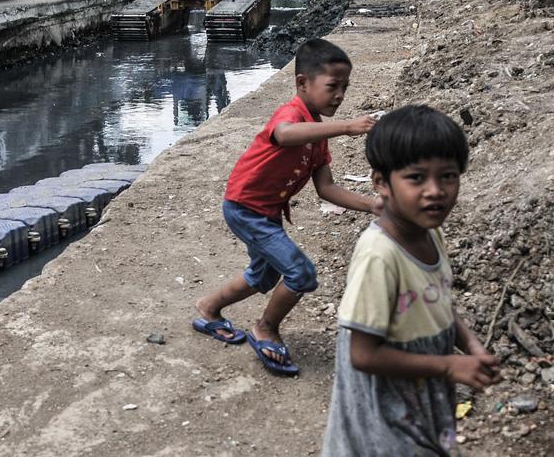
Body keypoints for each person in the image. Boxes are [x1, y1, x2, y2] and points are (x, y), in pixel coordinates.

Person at [192, 39, 379, 376]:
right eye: (333, 86)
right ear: (302, 84)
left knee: (263, 274)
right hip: (245, 207)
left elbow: (327, 189)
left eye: (345, 88)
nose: (340, 95)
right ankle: (265, 328)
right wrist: (348, 126)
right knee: (300, 273)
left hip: (265, 213)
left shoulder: (319, 137)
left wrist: (373, 205)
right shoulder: (291, 114)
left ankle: (208, 309)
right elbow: (286, 134)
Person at [321, 105, 500, 456]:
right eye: (416, 178)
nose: (435, 191)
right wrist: (449, 365)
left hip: (421, 399)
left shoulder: (430, 234)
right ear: (381, 183)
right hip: (386, 419)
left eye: (448, 176)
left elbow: (438, 300)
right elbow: (363, 354)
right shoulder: (379, 256)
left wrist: (471, 344)